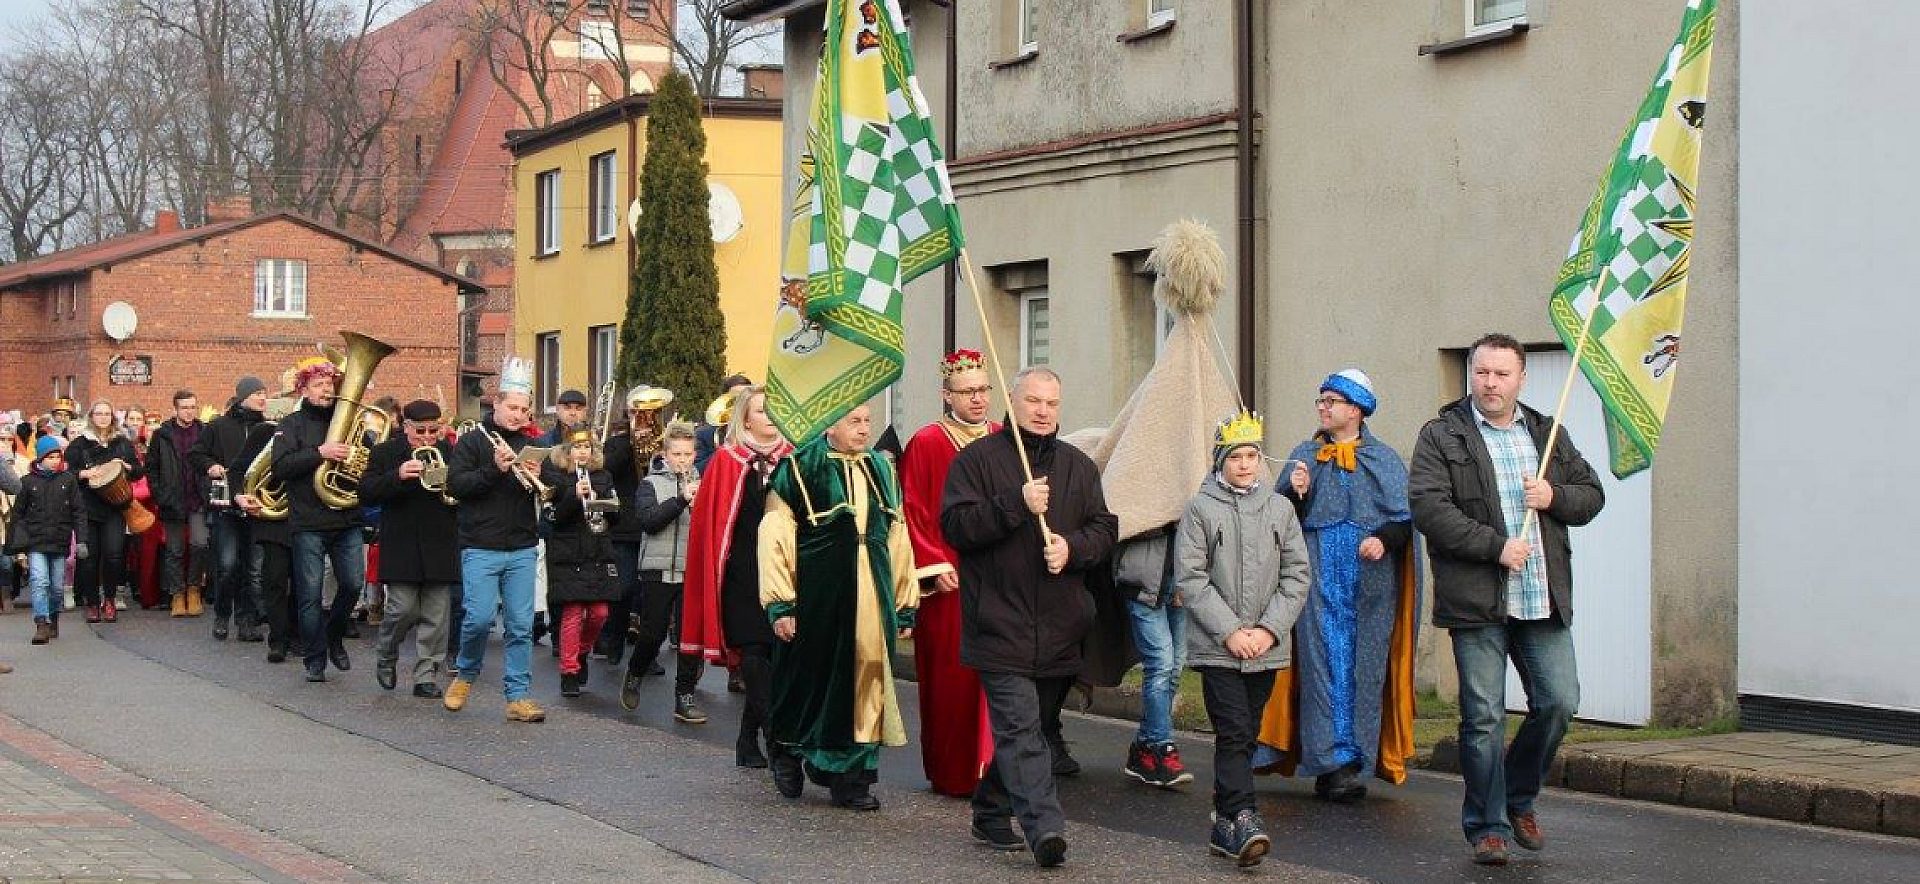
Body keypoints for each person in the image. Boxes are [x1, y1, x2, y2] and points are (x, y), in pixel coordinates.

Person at [1409, 333, 1605, 866]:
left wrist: (1555, 497)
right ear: (1471, 375)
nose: (1490, 384)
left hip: (1542, 597)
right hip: (1477, 600)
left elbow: (1592, 496)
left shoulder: (1548, 433)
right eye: (1481, 373)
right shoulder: (1442, 435)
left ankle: (1519, 797)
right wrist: (1495, 547)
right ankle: (1487, 825)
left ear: (1521, 378)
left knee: (1560, 701)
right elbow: (1429, 508)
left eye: (1501, 374)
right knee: (1484, 716)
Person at [941, 367, 1118, 867]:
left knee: (1032, 729)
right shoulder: (976, 461)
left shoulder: (1079, 466)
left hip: (1062, 626)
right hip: (999, 623)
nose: (1043, 411)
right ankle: (1046, 829)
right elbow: (956, 526)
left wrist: (1073, 548)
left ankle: (991, 809)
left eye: (1052, 403)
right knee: (1020, 729)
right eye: (1033, 401)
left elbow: (1104, 529)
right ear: (1013, 401)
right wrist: (1013, 505)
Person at [1255, 370, 1420, 804]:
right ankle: (1329, 763)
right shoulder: (1303, 456)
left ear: (1357, 409)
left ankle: (1357, 759)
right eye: (1321, 400)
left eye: (1332, 400)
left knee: (1364, 670)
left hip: (1371, 587)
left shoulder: (1384, 460)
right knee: (1321, 667)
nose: (1323, 407)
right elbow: (1277, 519)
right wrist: (1294, 492)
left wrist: (1382, 539)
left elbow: (1405, 523)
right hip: (1317, 580)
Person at [757, 405, 917, 811]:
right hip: (819, 596)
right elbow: (775, 537)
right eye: (854, 422)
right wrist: (782, 604)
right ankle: (788, 749)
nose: (864, 430)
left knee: (868, 679)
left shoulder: (881, 470)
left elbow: (897, 537)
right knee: (809, 680)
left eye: (867, 422)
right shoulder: (798, 468)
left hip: (872, 592)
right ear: (831, 423)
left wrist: (903, 603)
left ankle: (854, 777)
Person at [1174, 409, 1310, 868]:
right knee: (1233, 731)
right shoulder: (1200, 509)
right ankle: (1244, 817)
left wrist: (1268, 630)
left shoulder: (1280, 508)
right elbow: (1191, 578)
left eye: (1252, 455)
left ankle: (1222, 822)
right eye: (1236, 457)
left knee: (1246, 734)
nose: (1246, 464)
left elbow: (1296, 574)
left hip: (1266, 647)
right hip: (1219, 648)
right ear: (1220, 461)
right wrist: (1231, 632)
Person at [897, 349, 999, 798]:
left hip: (997, 577)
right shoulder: (928, 442)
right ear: (946, 395)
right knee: (952, 679)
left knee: (999, 676)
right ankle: (954, 771)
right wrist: (934, 565)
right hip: (949, 581)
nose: (977, 399)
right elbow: (913, 510)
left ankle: (997, 771)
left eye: (983, 390)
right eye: (967, 392)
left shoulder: (1003, 437)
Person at [681, 385, 793, 768]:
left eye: (775, 410)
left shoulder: (793, 459)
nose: (770, 417)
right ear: (746, 418)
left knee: (775, 658)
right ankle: (778, 740)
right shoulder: (727, 461)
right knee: (754, 653)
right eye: (762, 411)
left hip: (781, 573)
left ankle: (747, 741)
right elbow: (709, 526)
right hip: (740, 574)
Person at [444, 358, 548, 723]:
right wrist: (495, 469)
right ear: (497, 404)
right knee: (478, 619)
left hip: (521, 546)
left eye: (524, 409)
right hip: (481, 545)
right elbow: (457, 485)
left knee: (520, 625)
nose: (519, 415)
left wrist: (538, 475)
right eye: (513, 408)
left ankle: (517, 696)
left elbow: (550, 493)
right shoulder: (474, 441)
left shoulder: (534, 445)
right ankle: (466, 673)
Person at [269, 359, 366, 683]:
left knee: (353, 584)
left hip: (346, 517)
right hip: (308, 521)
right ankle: (314, 657)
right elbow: (281, 467)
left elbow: (367, 462)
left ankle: (334, 636)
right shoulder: (292, 424)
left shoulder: (351, 420)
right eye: (319, 385)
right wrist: (320, 452)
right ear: (304, 390)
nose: (327, 390)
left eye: (329, 384)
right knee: (309, 594)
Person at [361, 400, 460, 699]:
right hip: (402, 541)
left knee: (437, 615)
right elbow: (366, 492)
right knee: (401, 609)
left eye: (434, 430)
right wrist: (398, 476)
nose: (428, 438)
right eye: (420, 432)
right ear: (405, 428)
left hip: (440, 540)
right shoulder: (385, 453)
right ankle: (386, 653)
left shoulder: (448, 452)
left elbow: (462, 488)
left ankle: (426, 675)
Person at [619, 420, 708, 724]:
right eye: (677, 454)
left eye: (687, 454)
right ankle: (635, 672)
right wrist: (681, 499)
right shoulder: (651, 484)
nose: (683, 460)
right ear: (665, 454)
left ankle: (684, 697)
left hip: (690, 570)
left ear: (694, 454)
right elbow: (650, 522)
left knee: (688, 636)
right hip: (657, 569)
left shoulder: (704, 482)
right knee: (652, 634)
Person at [539, 428, 622, 698]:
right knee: (573, 615)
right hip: (568, 551)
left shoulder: (604, 476)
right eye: (577, 447)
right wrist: (573, 496)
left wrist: (607, 504)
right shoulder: (556, 477)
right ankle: (569, 671)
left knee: (600, 614)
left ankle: (582, 652)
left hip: (598, 548)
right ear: (567, 452)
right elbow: (555, 518)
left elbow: (616, 517)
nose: (582, 452)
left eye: (587, 447)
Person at [600, 384, 674, 665]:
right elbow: (608, 469)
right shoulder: (617, 441)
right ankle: (615, 638)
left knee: (652, 594)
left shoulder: (665, 441)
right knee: (625, 587)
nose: (644, 417)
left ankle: (648, 652)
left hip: (658, 523)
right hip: (626, 527)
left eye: (651, 412)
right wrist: (631, 441)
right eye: (638, 411)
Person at [193, 378, 268, 639]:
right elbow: (197, 454)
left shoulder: (268, 428)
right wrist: (210, 465)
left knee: (252, 567)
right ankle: (222, 613)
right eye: (257, 393)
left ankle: (246, 620)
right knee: (227, 564)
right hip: (225, 504)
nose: (262, 398)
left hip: (257, 504)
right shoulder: (218, 426)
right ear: (243, 396)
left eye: (264, 393)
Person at [235, 389, 300, 663]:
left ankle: (298, 635)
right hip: (273, 518)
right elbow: (239, 469)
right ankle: (278, 639)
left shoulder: (316, 435)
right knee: (274, 579)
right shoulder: (265, 433)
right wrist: (238, 495)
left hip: (305, 515)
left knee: (304, 583)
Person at [67, 401, 141, 623]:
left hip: (114, 507)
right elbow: (68, 473)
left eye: (107, 413)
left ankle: (108, 598)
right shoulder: (79, 444)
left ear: (112, 417)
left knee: (113, 555)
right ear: (91, 416)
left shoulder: (122, 443)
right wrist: (84, 474)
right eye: (98, 413)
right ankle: (91, 602)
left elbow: (138, 470)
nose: (102, 417)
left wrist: (128, 468)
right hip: (87, 507)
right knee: (89, 558)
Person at [11, 436, 85, 644]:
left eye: (57, 456)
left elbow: (78, 511)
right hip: (36, 541)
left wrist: (81, 540)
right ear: (40, 458)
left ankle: (53, 616)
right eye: (50, 457)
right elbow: (19, 515)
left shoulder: (67, 480)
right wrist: (18, 547)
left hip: (60, 540)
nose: (54, 460)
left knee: (56, 586)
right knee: (39, 581)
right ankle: (41, 622)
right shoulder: (27, 482)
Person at [149, 390, 211, 621]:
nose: (189, 412)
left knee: (199, 543)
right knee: (174, 549)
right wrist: (160, 494)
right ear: (175, 409)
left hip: (198, 497)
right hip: (172, 498)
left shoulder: (204, 432)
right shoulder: (162, 435)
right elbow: (152, 467)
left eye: (193, 407)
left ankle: (194, 588)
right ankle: (177, 593)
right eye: (185, 407)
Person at [694, 374, 752, 473]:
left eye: (745, 397)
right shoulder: (703, 434)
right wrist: (725, 450)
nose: (741, 403)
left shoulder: (760, 430)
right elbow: (697, 470)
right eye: (735, 398)